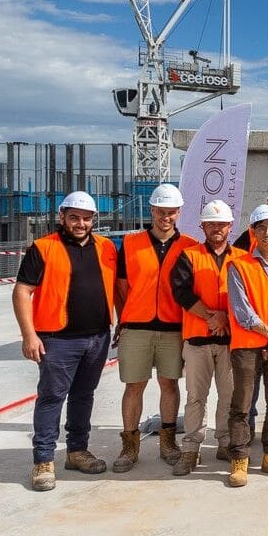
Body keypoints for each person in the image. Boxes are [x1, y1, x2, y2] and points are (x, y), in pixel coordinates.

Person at [13, 191, 117, 491]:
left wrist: (120, 321)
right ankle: (44, 460)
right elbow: (22, 292)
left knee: (84, 396)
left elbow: (117, 286)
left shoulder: (107, 247)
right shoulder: (43, 248)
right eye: (74, 217)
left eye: (86, 218)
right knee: (51, 397)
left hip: (97, 337)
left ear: (93, 220)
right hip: (57, 339)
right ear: (62, 217)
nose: (80, 223)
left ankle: (77, 451)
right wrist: (28, 335)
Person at [112, 183, 197, 472]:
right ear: (152, 210)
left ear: (179, 213)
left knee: (169, 384)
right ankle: (129, 446)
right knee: (134, 385)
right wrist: (124, 319)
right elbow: (121, 288)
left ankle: (168, 442)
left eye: (171, 212)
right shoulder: (131, 244)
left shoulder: (189, 247)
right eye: (161, 211)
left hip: (173, 328)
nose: (166, 217)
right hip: (136, 328)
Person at [168, 200, 242, 476]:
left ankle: (224, 442)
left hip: (231, 341)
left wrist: (225, 319)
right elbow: (182, 292)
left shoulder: (243, 257)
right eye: (211, 224)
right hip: (198, 338)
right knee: (196, 396)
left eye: (221, 224)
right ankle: (191, 448)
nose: (216, 229)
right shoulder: (189, 256)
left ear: (230, 226)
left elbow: (246, 298)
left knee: (229, 396)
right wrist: (213, 318)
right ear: (202, 227)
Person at [224, 204, 268, 487]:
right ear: (252, 232)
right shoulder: (238, 265)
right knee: (242, 403)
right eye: (262, 228)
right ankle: (239, 460)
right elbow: (243, 312)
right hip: (247, 344)